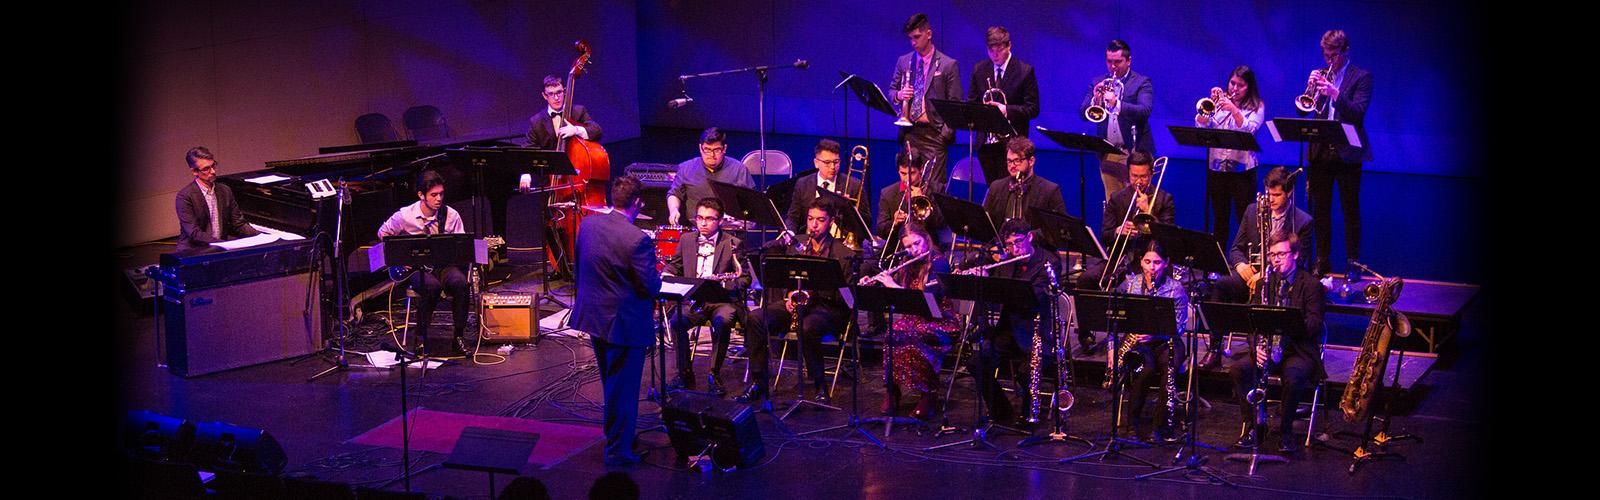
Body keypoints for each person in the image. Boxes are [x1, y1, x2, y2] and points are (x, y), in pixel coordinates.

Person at [570, 176, 661, 466]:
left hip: (595, 317)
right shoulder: (638, 239)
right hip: (624, 323)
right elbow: (650, 286)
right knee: (624, 387)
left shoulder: (588, 224)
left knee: (611, 381)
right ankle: (619, 450)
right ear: (637, 203)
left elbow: (580, 264)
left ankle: (616, 436)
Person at [737, 199, 859, 407]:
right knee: (756, 317)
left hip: (827, 308)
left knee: (808, 326)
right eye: (811, 219)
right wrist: (790, 295)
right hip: (796, 303)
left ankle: (820, 384)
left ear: (830, 223)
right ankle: (759, 382)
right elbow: (783, 277)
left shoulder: (842, 253)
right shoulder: (796, 245)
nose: (814, 225)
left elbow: (847, 298)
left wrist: (814, 294)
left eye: (820, 220)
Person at [1225, 233, 1325, 454]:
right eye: (1272, 255)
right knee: (1238, 370)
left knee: (1294, 376)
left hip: (1297, 349)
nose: (1276, 259)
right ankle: (1254, 427)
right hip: (1267, 348)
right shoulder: (1264, 284)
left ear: (1296, 255)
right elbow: (1252, 323)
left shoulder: (1311, 285)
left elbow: (1314, 325)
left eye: (1281, 254)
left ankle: (1286, 432)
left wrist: (1286, 325)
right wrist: (1257, 347)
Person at [857, 222, 959, 419]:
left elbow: (928, 302)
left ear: (926, 238)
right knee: (892, 333)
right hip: (912, 320)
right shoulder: (908, 263)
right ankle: (892, 392)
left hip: (940, 321)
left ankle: (928, 393)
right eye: (908, 247)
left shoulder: (939, 262)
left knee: (912, 333)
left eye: (917, 243)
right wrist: (874, 284)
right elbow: (895, 295)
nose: (914, 250)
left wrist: (891, 284)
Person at [968, 219, 1059, 425]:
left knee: (1026, 372)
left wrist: (1000, 287)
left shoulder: (1049, 262)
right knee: (976, 362)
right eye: (1009, 244)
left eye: (1018, 242)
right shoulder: (1007, 262)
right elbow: (996, 297)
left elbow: (1035, 298)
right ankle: (1001, 411)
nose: (1014, 248)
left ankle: (1029, 417)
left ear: (1030, 237)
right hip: (1009, 330)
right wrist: (983, 282)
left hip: (1038, 333)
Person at [1298, 29, 1373, 276]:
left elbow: (1357, 113)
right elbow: (1303, 112)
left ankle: (1353, 262)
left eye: (1334, 55)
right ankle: (1322, 260)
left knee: (1350, 209)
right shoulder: (1320, 75)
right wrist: (1310, 90)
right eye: (1326, 54)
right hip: (1320, 153)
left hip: (1347, 155)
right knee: (1320, 210)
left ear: (1345, 51)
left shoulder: (1361, 77)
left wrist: (1335, 93)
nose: (1329, 60)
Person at [661, 198, 749, 396]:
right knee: (677, 322)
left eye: (709, 219)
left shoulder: (733, 243)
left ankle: (714, 373)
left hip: (722, 299)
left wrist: (724, 283)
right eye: (700, 218)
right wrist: (668, 273)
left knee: (723, 320)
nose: (703, 223)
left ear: (720, 220)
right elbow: (675, 265)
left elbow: (744, 278)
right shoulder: (686, 240)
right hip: (695, 299)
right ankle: (684, 373)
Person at [377, 170, 471, 355]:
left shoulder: (451, 215)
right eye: (433, 195)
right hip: (415, 268)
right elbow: (383, 233)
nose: (439, 199)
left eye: (441, 194)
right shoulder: (405, 216)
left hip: (441, 265)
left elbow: (461, 245)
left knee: (461, 283)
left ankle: (458, 336)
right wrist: (399, 258)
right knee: (432, 287)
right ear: (421, 195)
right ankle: (421, 337)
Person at [1107, 240, 1188, 444]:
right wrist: (1111, 349)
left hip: (1167, 341)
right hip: (1139, 341)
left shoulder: (1175, 289)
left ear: (1166, 263)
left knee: (1169, 369)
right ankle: (1131, 426)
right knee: (1143, 370)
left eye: (1157, 263)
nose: (1152, 268)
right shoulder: (1131, 284)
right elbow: (1114, 320)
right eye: (1147, 261)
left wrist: (1155, 335)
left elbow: (1179, 327)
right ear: (1141, 262)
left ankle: (1159, 428)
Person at [1077, 150, 1175, 294]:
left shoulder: (1164, 199)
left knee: (1139, 286)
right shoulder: (1117, 198)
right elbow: (1105, 235)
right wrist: (1118, 231)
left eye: (1143, 177)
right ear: (1128, 173)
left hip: (1151, 261)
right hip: (1122, 258)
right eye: (1134, 176)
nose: (1139, 182)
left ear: (1151, 174)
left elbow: (1169, 239)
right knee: (1087, 279)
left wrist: (1148, 211)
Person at [891, 12, 961, 193]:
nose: (913, 42)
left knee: (933, 189)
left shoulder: (948, 65)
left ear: (928, 34)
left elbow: (955, 104)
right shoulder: (904, 61)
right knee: (908, 185)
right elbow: (891, 91)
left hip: (935, 134)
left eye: (917, 37)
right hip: (910, 132)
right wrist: (899, 94)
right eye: (910, 38)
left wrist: (944, 134)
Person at [1196, 65, 1265, 248]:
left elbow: (1250, 129)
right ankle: (1217, 265)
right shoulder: (1220, 103)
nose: (1234, 88)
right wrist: (1210, 105)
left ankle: (1245, 263)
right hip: (1217, 169)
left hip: (1243, 172)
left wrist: (1234, 110)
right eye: (1232, 83)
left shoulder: (1257, 106)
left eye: (1240, 85)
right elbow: (1201, 126)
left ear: (1249, 87)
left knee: (1244, 218)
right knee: (1219, 219)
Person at [1079, 39, 1154, 200]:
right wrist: (1095, 98)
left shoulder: (1142, 82)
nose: (1113, 67)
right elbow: (1082, 113)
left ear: (1129, 61)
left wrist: (1116, 104)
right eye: (1109, 62)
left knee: (1136, 201)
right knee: (1112, 201)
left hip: (1134, 152)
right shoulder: (1097, 82)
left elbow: (1145, 110)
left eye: (1118, 62)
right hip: (1109, 152)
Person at [967, 26, 1040, 177]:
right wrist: (983, 110)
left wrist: (1005, 109)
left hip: (1013, 145)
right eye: (991, 50)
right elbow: (971, 103)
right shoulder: (979, 69)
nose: (995, 54)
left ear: (1009, 45)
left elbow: (1033, 108)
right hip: (986, 144)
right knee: (994, 190)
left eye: (999, 49)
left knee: (1012, 191)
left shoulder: (1024, 71)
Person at [785, 139, 869, 246]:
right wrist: (790, 233)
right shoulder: (803, 184)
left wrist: (849, 210)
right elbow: (793, 216)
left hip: (841, 244)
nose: (832, 167)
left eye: (836, 162)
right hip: (809, 242)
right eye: (827, 162)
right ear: (816, 163)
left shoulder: (854, 185)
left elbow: (867, 223)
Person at [175, 146, 260, 252]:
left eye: (213, 165)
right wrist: (224, 244)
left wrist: (260, 236)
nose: (213, 171)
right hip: (194, 250)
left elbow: (239, 223)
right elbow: (194, 233)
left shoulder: (225, 190)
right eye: (206, 169)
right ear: (194, 172)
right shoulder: (185, 196)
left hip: (219, 247)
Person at [666, 127, 753, 226]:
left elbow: (750, 201)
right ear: (700, 148)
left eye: (717, 150)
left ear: (724, 148)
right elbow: (674, 194)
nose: (712, 155)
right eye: (707, 150)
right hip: (696, 229)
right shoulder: (685, 168)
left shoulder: (739, 169)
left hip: (729, 230)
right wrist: (673, 210)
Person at [980, 136, 1066, 233]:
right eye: (1009, 161)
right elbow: (986, 226)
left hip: (1034, 247)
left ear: (1031, 161)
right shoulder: (996, 187)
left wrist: (1029, 238)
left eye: (1017, 161)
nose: (1012, 166)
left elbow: (1058, 228)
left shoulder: (1049, 190)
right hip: (1002, 247)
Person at [875, 149, 949, 251]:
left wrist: (924, 200)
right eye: (903, 174)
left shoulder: (936, 189)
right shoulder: (888, 193)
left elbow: (941, 224)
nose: (907, 179)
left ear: (921, 169)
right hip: (898, 250)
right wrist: (894, 222)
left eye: (912, 173)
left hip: (928, 249)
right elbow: (880, 231)